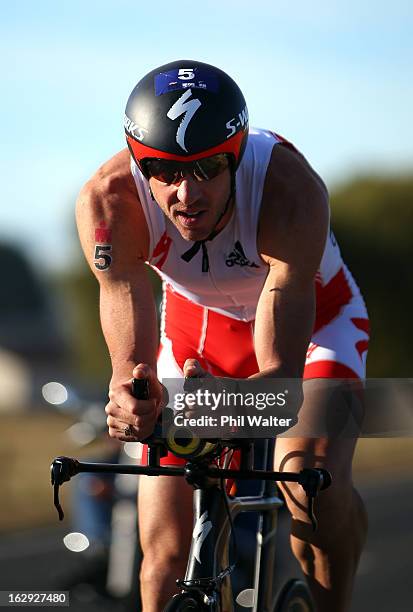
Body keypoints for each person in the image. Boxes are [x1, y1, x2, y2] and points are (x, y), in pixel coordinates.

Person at [76, 59, 369, 612]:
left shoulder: (288, 187)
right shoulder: (109, 200)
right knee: (162, 553)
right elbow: (123, 309)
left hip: (314, 330)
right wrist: (128, 390)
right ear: (139, 162)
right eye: (163, 170)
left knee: (307, 484)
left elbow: (280, 376)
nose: (186, 194)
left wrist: (238, 404)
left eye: (209, 167)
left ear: (235, 154)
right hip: (196, 333)